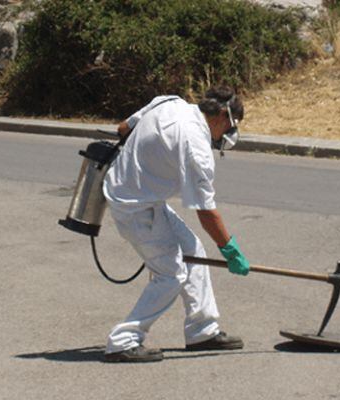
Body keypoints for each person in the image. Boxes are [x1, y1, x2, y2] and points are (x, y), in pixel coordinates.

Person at [102, 87, 250, 363]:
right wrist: (229, 249)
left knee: (194, 252)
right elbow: (206, 212)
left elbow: (123, 128)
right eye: (230, 126)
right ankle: (123, 340)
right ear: (219, 116)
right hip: (135, 207)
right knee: (171, 274)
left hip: (139, 196)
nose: (227, 135)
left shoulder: (169, 102)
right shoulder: (196, 146)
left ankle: (202, 330)